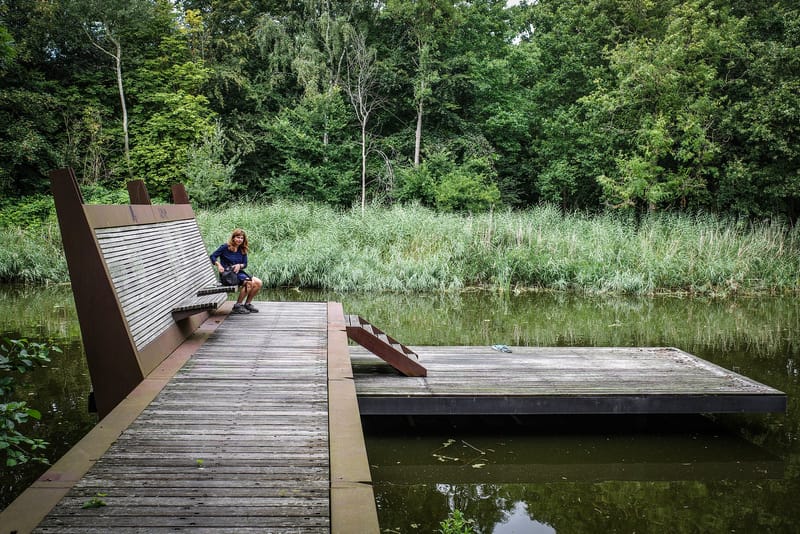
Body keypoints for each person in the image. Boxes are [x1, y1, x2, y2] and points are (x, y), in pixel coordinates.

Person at [210, 228, 263, 314]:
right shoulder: (225, 247)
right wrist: (218, 265)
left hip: (238, 273)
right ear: (233, 238)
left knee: (259, 282)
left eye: (242, 238)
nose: (240, 240)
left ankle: (247, 304)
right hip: (228, 275)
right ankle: (237, 306)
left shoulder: (242, 249)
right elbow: (212, 256)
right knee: (249, 283)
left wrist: (239, 265)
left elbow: (245, 264)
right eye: (238, 237)